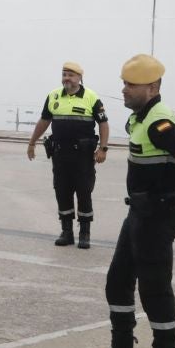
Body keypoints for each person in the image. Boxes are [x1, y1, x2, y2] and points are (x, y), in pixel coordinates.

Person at [80, 54, 175, 348]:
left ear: (153, 87)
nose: (123, 90)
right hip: (139, 213)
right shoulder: (147, 115)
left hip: (157, 215)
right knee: (118, 281)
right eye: (123, 83)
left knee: (154, 290)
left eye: (131, 85)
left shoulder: (157, 123)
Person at [26, 61, 110, 248]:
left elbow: (103, 124)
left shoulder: (91, 97)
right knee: (62, 191)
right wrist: (32, 142)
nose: (66, 78)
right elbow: (44, 121)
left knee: (84, 191)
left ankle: (85, 233)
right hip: (60, 155)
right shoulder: (53, 96)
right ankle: (67, 232)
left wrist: (103, 149)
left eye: (71, 75)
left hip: (83, 156)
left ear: (80, 78)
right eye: (64, 74)